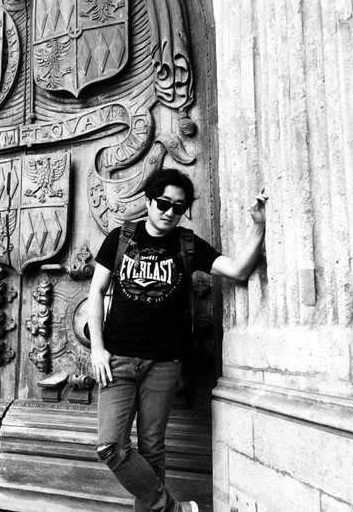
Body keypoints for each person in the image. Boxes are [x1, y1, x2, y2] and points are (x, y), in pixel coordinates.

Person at [87, 168, 267, 512]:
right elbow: (96, 292)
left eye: (178, 207)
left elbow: (238, 270)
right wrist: (97, 348)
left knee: (152, 450)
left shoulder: (187, 244)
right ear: (148, 201)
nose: (170, 212)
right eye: (163, 203)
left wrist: (258, 225)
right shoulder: (120, 238)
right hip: (117, 360)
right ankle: (175, 510)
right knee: (111, 447)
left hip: (164, 362)